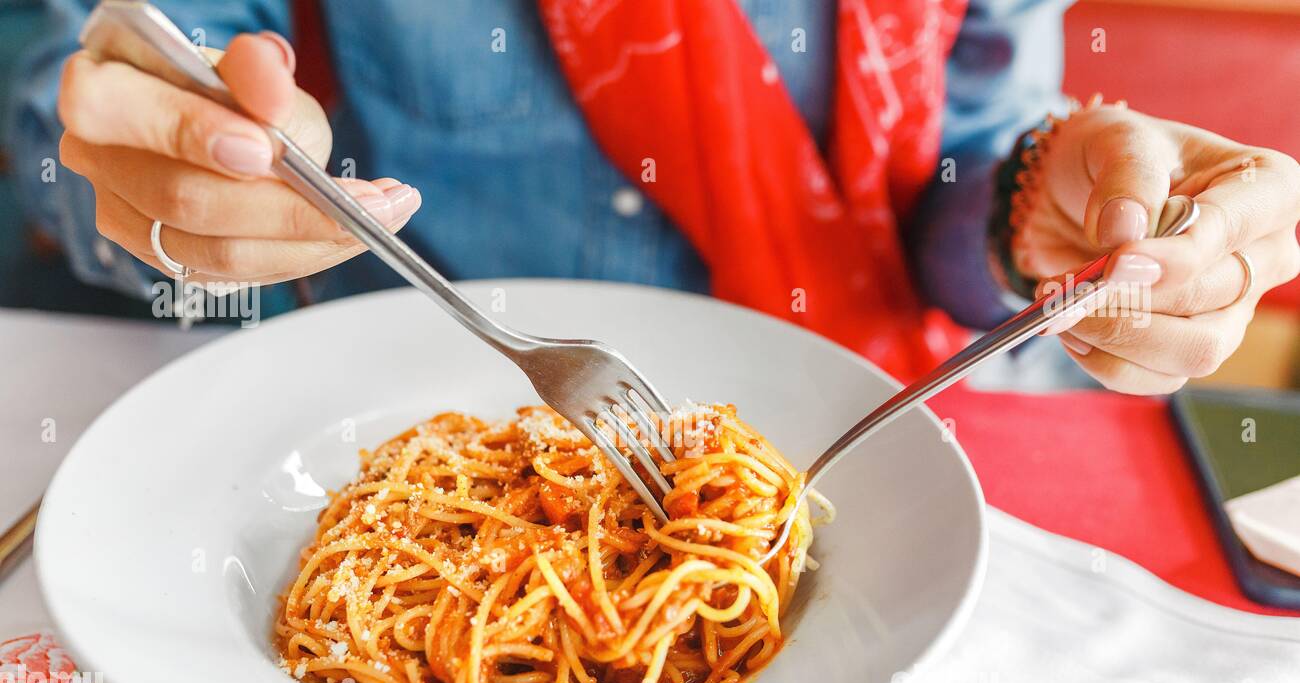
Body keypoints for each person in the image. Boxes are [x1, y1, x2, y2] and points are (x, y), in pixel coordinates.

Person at [10, 0, 1300, 392]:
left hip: (854, 442)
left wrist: (1035, 217)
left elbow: (952, 179)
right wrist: (155, 168)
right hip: (346, 416)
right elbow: (84, 66)